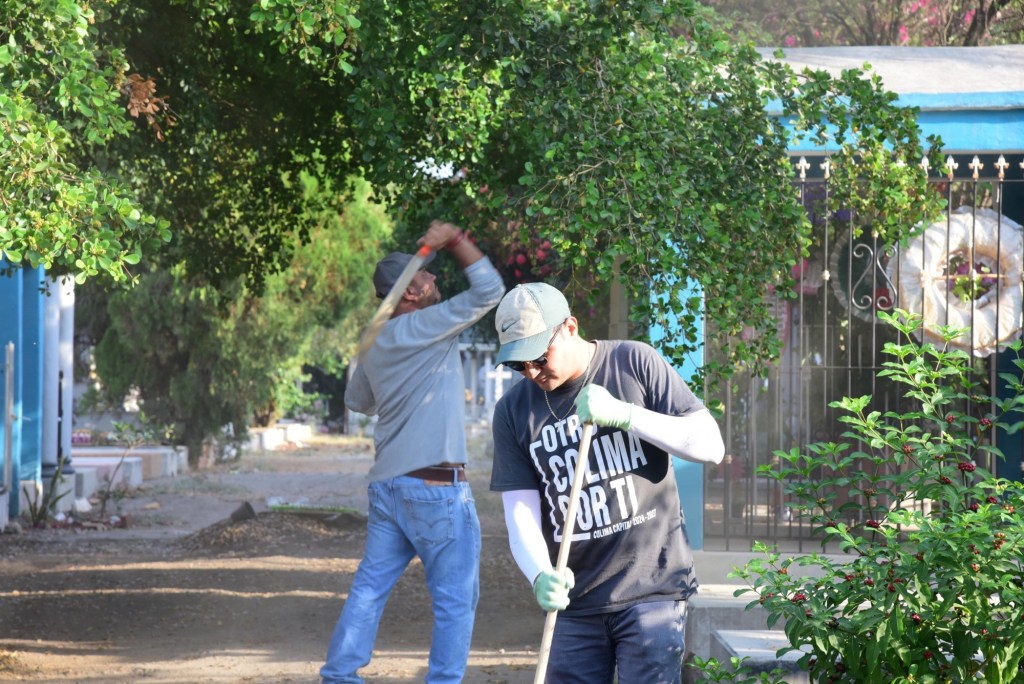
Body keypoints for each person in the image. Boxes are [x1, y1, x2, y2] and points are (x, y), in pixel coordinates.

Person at [489, 282, 725, 684]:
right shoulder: (512, 411)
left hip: (652, 589)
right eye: (518, 365)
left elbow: (710, 446)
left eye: (539, 357)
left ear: (569, 327)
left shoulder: (633, 362)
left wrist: (627, 415)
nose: (531, 372)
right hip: (574, 602)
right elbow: (521, 513)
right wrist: (539, 575)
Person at [320, 220, 505, 684]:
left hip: (389, 488)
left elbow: (358, 401)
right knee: (455, 601)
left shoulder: (377, 339)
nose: (435, 278)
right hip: (434, 488)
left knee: (369, 589)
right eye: (426, 275)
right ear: (410, 293)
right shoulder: (423, 325)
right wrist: (456, 239)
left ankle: (339, 676)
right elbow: (489, 290)